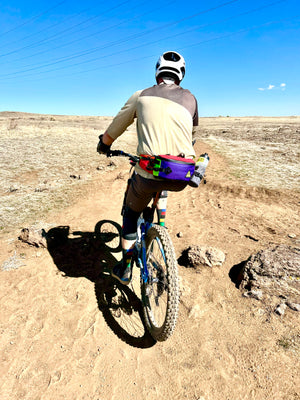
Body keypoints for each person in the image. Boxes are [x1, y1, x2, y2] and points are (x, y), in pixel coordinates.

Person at [97, 50, 198, 285]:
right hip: (182, 174)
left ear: (157, 72)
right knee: (163, 182)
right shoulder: (191, 99)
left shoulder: (140, 95)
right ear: (181, 75)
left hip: (147, 173)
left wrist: (104, 144)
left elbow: (116, 127)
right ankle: (158, 232)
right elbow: (192, 135)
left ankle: (125, 269)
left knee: (131, 213)